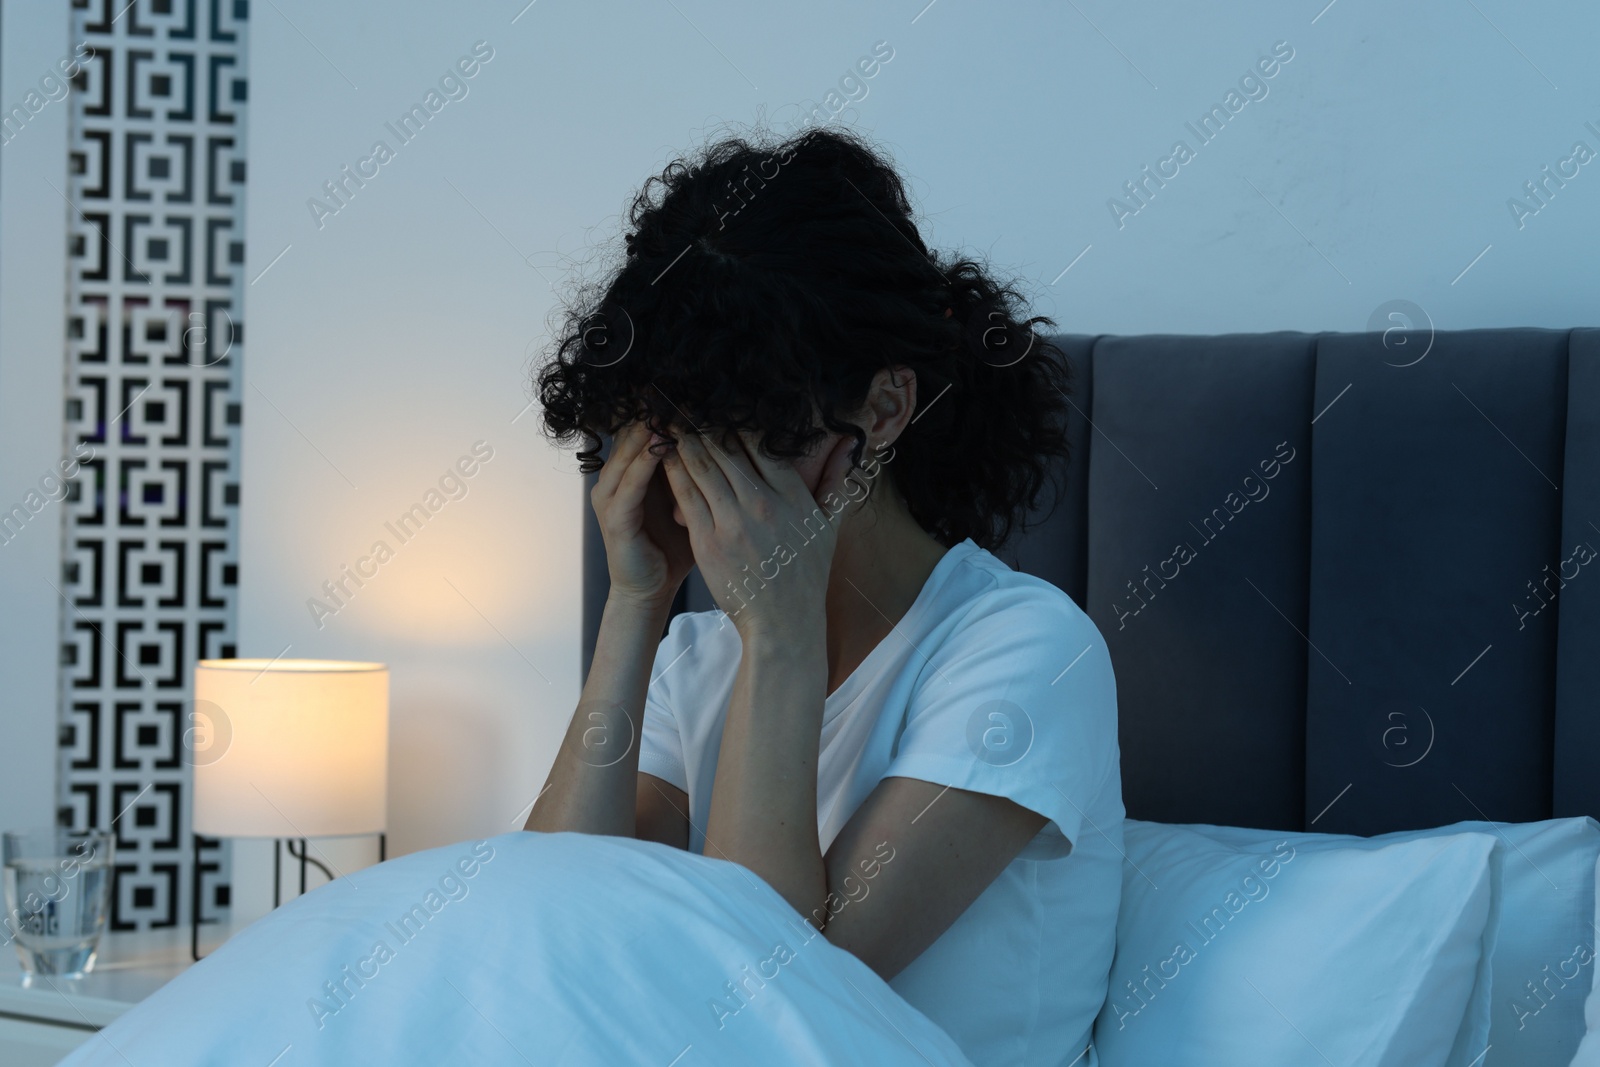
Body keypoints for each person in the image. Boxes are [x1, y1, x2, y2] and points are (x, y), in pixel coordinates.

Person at [527, 125, 1124, 1067]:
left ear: (883, 410)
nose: (702, 479)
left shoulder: (1025, 651)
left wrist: (782, 632)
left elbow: (769, 1000)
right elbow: (550, 931)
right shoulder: (695, 660)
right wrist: (635, 605)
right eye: (676, 435)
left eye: (743, 431)